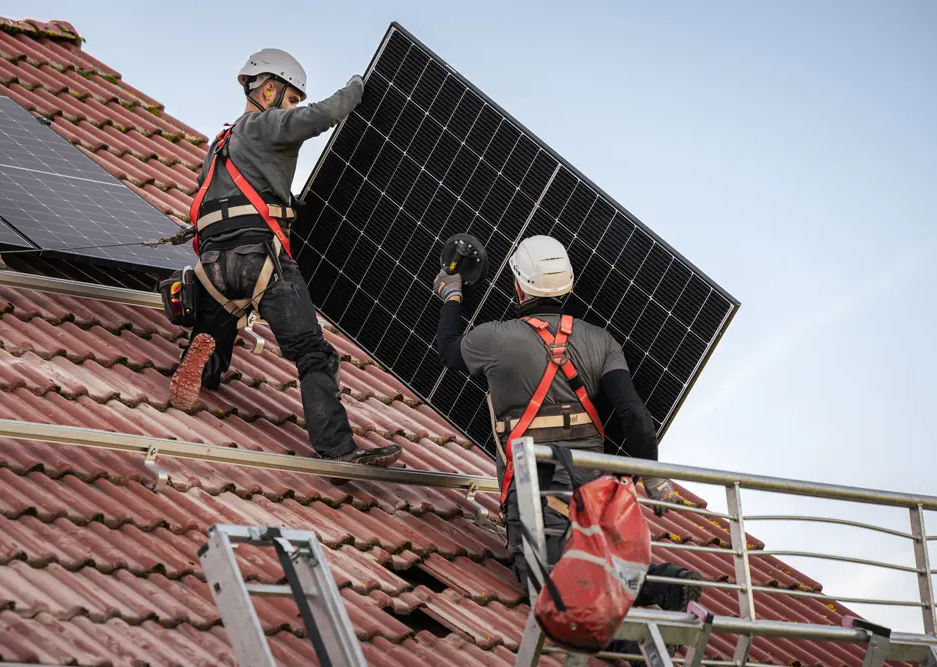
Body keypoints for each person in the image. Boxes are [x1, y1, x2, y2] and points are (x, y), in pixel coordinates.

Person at [432, 235, 702, 639]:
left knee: (546, 585)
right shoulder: (601, 341)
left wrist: (452, 295)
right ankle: (656, 592)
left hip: (537, 489)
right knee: (587, 563)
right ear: (569, 284)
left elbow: (448, 350)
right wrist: (653, 478)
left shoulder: (494, 338)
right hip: (596, 489)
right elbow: (635, 416)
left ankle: (661, 584)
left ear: (518, 285)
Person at [169, 48, 402, 474]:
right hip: (261, 261)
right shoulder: (265, 125)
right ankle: (338, 450)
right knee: (312, 353)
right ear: (270, 89)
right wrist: (357, 88)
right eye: (290, 97)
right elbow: (319, 117)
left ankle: (202, 364)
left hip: (214, 269)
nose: (293, 106)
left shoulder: (218, 145)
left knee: (218, 337)